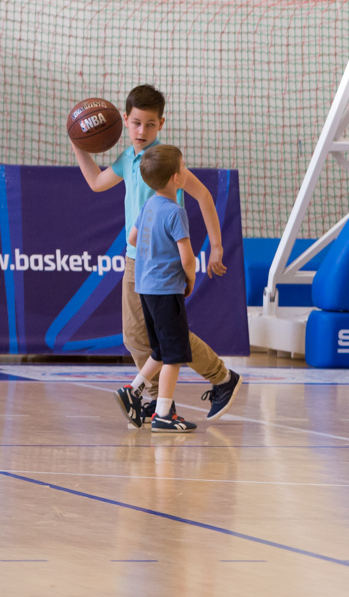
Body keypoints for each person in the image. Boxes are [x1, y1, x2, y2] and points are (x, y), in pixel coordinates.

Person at [75, 84, 241, 427]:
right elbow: (95, 182)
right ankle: (154, 400)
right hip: (136, 260)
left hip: (165, 264)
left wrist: (217, 246)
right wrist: (79, 145)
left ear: (161, 124)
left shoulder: (166, 162)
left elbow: (205, 196)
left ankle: (218, 378)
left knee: (172, 337)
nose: (141, 131)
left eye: (150, 124)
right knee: (135, 336)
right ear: (124, 120)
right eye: (136, 123)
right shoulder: (126, 160)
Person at [115, 145, 202, 433]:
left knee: (159, 351)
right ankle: (163, 413)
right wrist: (189, 279)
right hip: (167, 291)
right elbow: (187, 256)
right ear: (177, 178)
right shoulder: (176, 212)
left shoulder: (149, 205)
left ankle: (133, 389)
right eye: (184, 166)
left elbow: (132, 237)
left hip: (146, 288)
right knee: (175, 355)